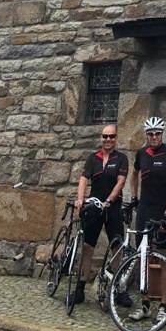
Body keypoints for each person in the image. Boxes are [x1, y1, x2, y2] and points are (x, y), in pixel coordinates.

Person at [129, 115, 166, 324]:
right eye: (150, 134)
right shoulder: (141, 153)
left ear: (162, 134)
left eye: (157, 134)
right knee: (142, 256)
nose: (154, 137)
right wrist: (134, 197)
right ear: (146, 135)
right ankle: (145, 304)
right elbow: (134, 174)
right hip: (144, 210)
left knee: (164, 257)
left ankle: (164, 305)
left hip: (162, 211)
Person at [72, 123, 128, 306]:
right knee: (87, 247)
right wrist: (80, 199)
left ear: (116, 138)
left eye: (111, 136)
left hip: (113, 208)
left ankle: (119, 290)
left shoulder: (121, 159)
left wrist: (109, 200)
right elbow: (83, 179)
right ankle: (80, 289)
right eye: (105, 136)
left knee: (117, 248)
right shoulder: (92, 158)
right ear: (101, 138)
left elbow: (120, 182)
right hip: (94, 206)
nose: (108, 139)